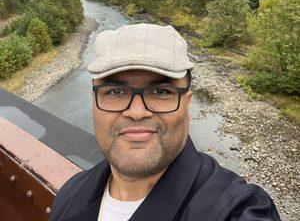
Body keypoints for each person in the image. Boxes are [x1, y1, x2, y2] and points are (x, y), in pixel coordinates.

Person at [49, 23, 281, 221]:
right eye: (116, 91)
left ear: (187, 104)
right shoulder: (70, 194)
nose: (137, 112)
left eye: (160, 91)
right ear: (94, 102)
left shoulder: (236, 208)